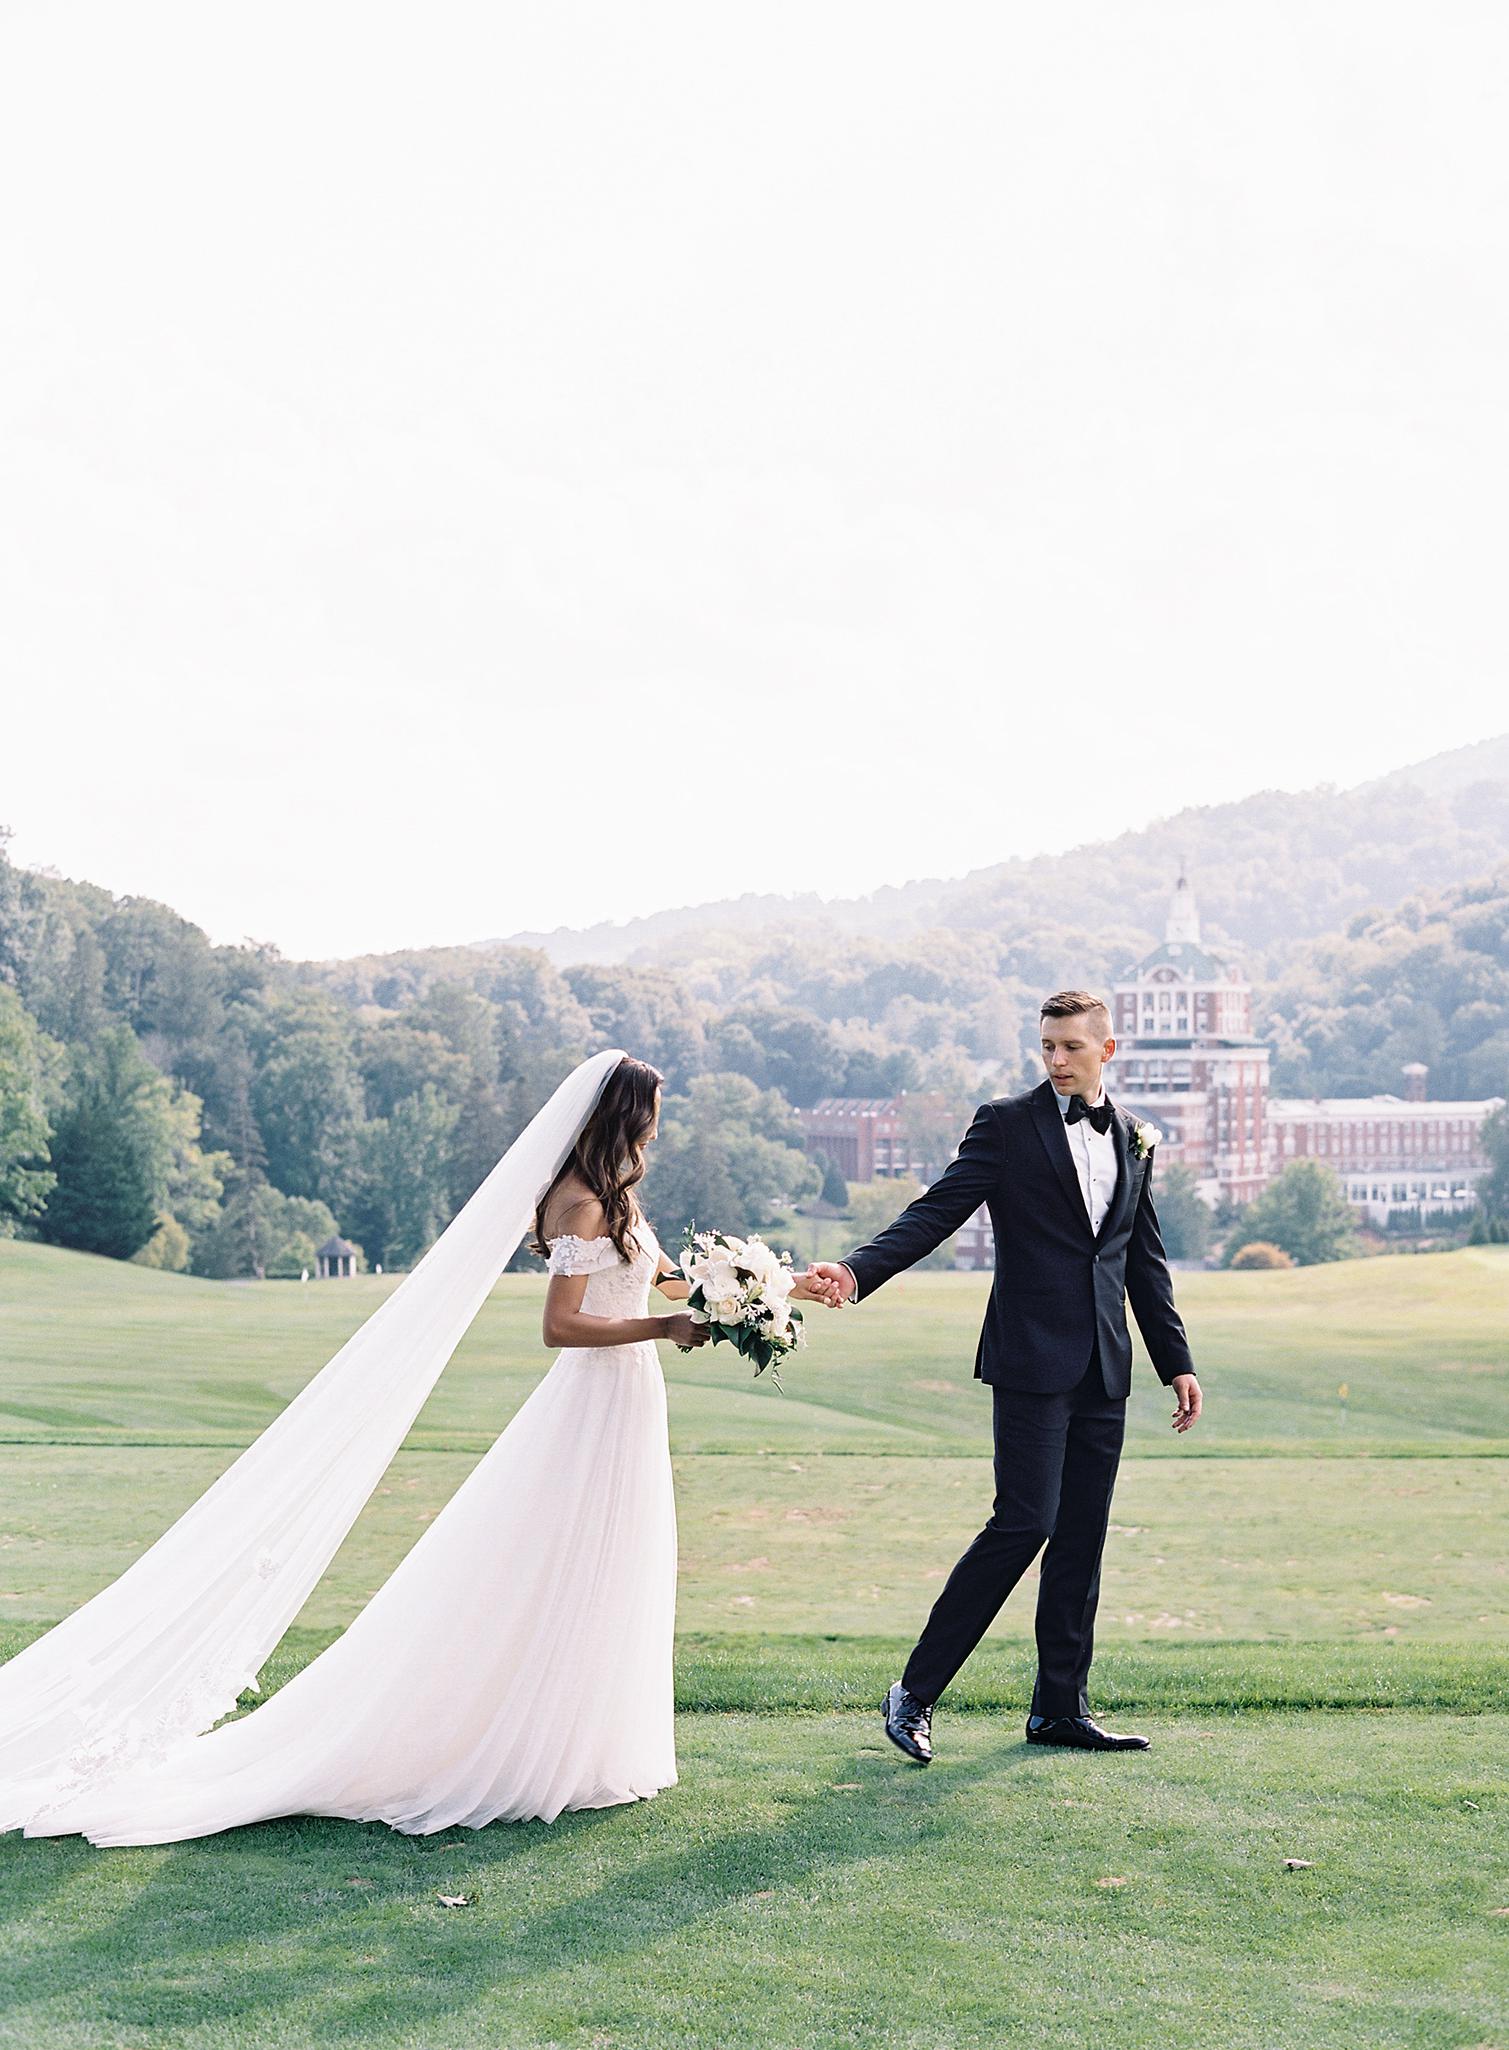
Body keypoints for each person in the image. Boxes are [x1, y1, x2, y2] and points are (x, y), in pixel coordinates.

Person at [11, 1055, 822, 1844]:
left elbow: (668, 1280)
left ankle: (585, 1741)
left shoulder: (617, 1200)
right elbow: (561, 1326)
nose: (657, 1126)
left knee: (613, 1559)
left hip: (630, 1398)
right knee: (564, 1556)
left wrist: (749, 1292)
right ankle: (510, 1741)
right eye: (652, 1111)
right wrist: (666, 1326)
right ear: (625, 1114)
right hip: (594, 1398)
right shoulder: (578, 1202)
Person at [806, 991, 1203, 1763]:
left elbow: (1140, 1260)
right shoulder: (1005, 1123)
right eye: (1046, 1046)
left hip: (1104, 1365)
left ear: (1106, 1051)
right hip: (1028, 1358)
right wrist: (855, 1273)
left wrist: (1175, 1361)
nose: (1055, 1060)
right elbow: (937, 1210)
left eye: (1070, 1048)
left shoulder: (1132, 1137)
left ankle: (1059, 1708)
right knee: (1024, 1522)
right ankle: (914, 1693)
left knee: (1081, 1537)